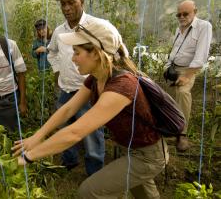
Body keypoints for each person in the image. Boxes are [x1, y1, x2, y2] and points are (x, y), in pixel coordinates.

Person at [12, 18, 169, 199]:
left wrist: (29, 156)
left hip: (148, 155)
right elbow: (68, 108)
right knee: (144, 194)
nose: (72, 58)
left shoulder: (122, 86)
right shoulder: (96, 78)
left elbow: (75, 133)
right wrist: (37, 137)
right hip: (131, 147)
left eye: (77, 52)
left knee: (89, 192)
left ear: (95, 53)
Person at [46, 0, 105, 176]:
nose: (66, 8)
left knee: (91, 135)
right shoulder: (58, 31)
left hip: (89, 92)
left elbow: (112, 55)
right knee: (64, 127)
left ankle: (94, 173)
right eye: (63, 4)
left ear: (82, 2)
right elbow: (51, 53)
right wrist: (57, 72)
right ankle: (69, 163)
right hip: (65, 90)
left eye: (71, 2)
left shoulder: (96, 27)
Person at [164, 0, 212, 151]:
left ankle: (181, 134)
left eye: (185, 13)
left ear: (195, 12)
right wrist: (167, 67)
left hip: (188, 68)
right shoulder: (180, 28)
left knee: (183, 93)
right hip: (173, 67)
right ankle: (169, 127)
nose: (182, 17)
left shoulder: (204, 27)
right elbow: (176, 51)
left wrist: (187, 76)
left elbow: (200, 57)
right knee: (166, 97)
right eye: (179, 14)